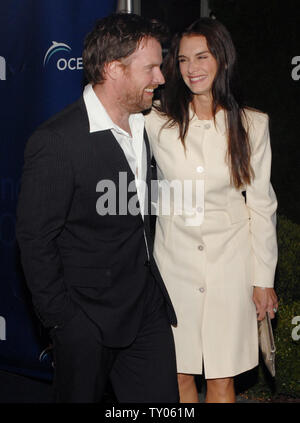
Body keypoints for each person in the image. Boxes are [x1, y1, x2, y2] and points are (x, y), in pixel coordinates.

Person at [16, 13, 179, 403]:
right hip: (86, 320)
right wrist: (66, 323)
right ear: (113, 69)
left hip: (146, 309)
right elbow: (35, 240)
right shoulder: (57, 142)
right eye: (151, 68)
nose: (160, 78)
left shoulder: (147, 125)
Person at [145, 18, 278, 403]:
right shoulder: (158, 121)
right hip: (173, 268)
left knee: (222, 376)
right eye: (183, 59)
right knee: (178, 372)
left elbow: (261, 206)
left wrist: (262, 279)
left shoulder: (252, 125)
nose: (192, 68)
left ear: (221, 58)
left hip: (231, 268)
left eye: (201, 56)